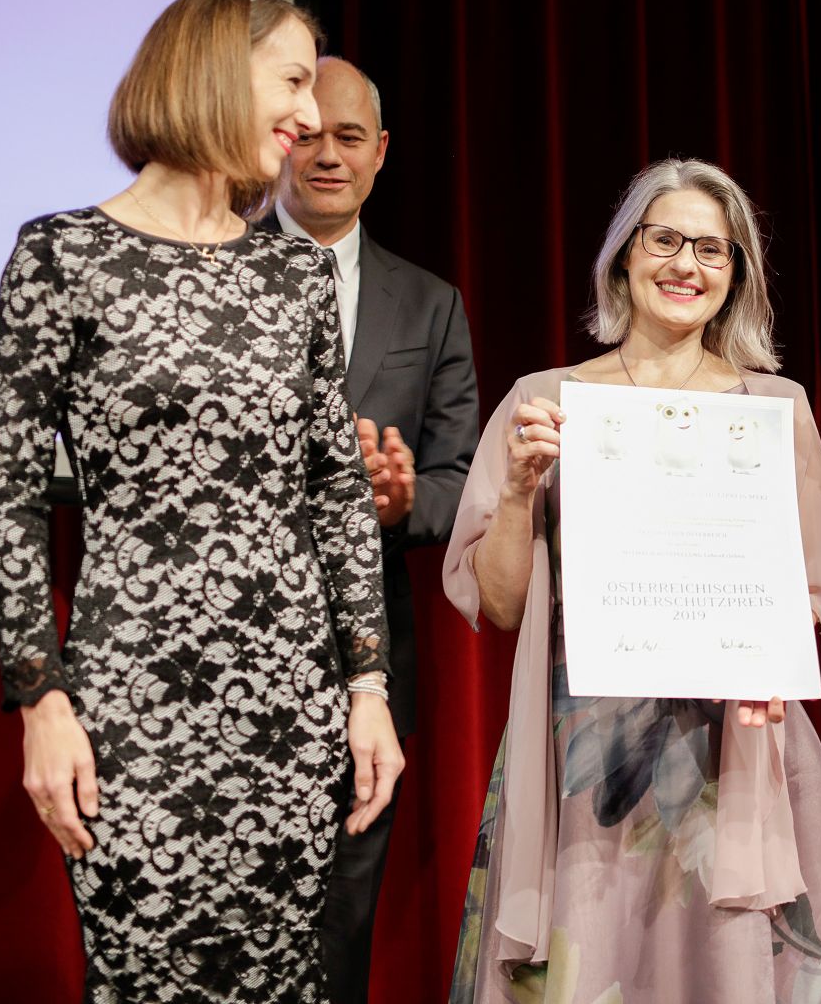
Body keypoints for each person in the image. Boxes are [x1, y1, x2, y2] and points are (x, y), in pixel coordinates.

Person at [0, 0, 403, 1001]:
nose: (307, 118)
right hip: (133, 703)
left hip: (288, 701)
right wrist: (40, 699)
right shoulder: (62, 255)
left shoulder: (292, 275)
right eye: (292, 82)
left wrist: (368, 687)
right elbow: (11, 497)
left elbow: (334, 492)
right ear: (215, 66)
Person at [442, 159, 821, 1003]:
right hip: (588, 760)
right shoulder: (546, 402)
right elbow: (498, 600)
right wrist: (522, 487)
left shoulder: (777, 410)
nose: (687, 265)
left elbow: (809, 601)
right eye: (665, 239)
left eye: (713, 248)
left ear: (735, 273)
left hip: (738, 757)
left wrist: (763, 647)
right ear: (624, 257)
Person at [264, 55, 480, 1004]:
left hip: (365, 669)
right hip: (223, 648)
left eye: (349, 137)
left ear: (381, 152)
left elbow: (460, 476)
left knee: (337, 932)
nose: (326, 154)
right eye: (307, 133)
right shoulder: (209, 274)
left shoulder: (428, 303)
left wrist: (400, 502)